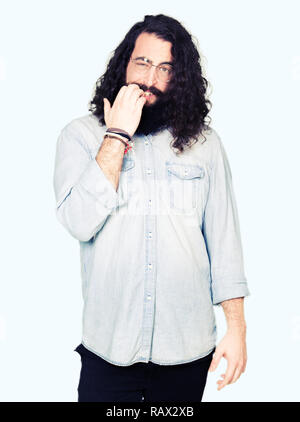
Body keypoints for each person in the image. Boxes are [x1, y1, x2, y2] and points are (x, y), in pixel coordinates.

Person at [53, 14, 250, 402]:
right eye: (142, 62)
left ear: (179, 78)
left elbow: (224, 242)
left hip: (187, 351)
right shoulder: (80, 136)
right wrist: (117, 133)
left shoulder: (205, 145)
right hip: (108, 350)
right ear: (124, 63)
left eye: (165, 68)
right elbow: (79, 221)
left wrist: (237, 330)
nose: (149, 78)